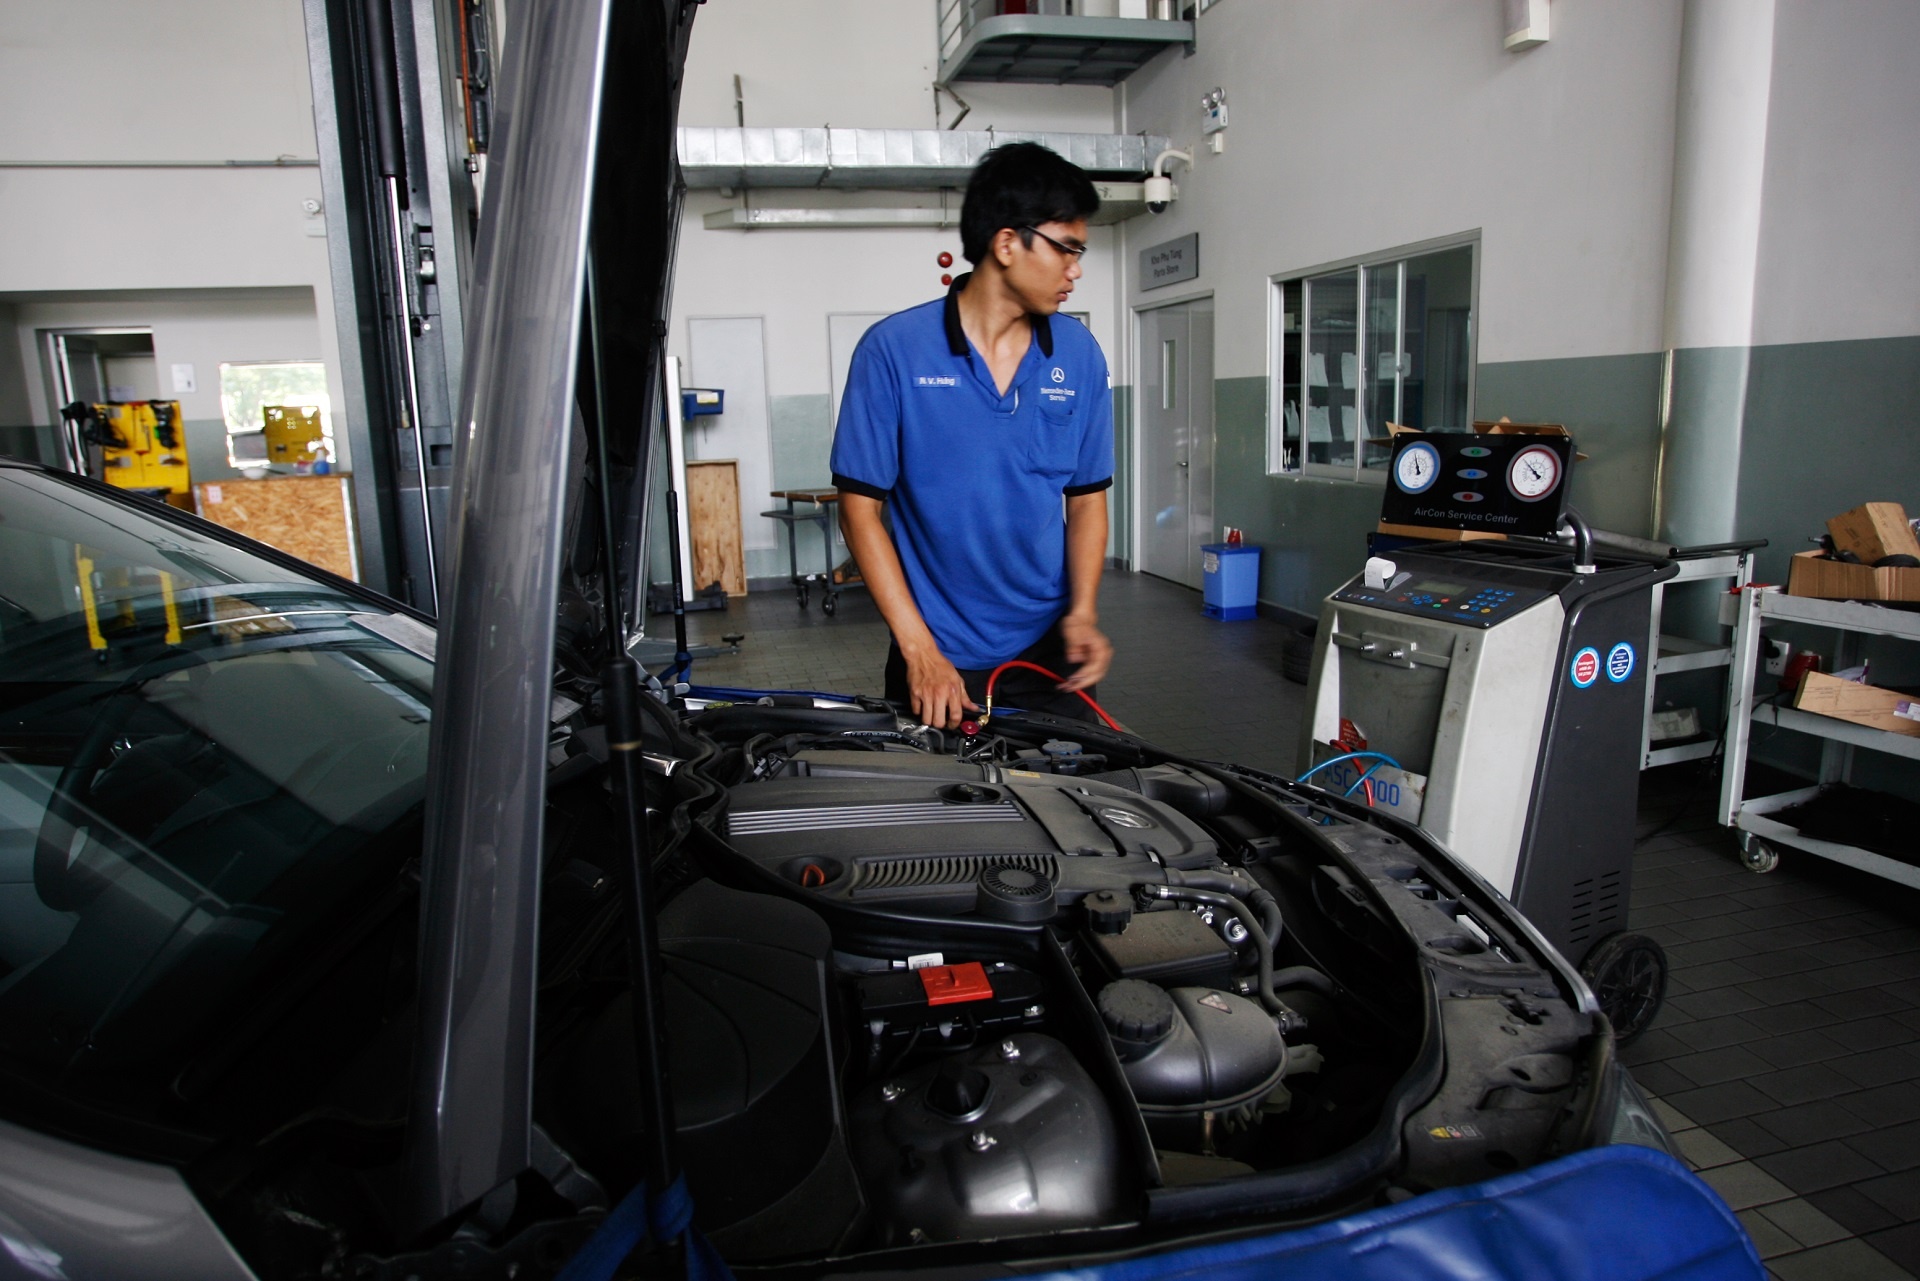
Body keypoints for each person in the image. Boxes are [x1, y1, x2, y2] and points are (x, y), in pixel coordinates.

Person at [830, 142, 1114, 729]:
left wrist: (1083, 613)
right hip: (935, 658)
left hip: (1048, 654)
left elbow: (1087, 499)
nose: (1076, 269)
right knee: (942, 791)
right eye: (1066, 248)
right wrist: (918, 650)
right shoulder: (893, 352)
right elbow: (859, 512)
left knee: (1073, 784)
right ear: (1007, 243)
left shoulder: (1079, 354)